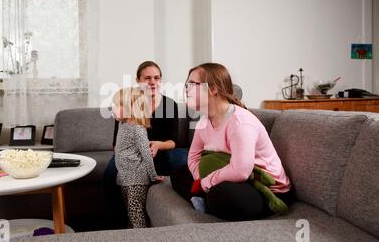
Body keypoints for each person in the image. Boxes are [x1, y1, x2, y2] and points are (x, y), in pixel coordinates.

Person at [170, 63, 293, 221]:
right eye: (187, 85)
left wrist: (205, 182)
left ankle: (203, 197)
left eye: (192, 84)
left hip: (266, 189)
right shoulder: (204, 121)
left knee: (221, 194)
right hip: (230, 176)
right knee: (177, 173)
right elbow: (193, 156)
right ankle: (203, 198)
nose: (186, 89)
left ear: (213, 89)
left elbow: (241, 171)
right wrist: (200, 178)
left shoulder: (241, 123)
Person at [103, 61, 188, 227]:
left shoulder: (169, 104)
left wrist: (157, 145)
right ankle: (117, 221)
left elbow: (173, 141)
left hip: (161, 151)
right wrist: (134, 154)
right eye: (147, 78)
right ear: (138, 80)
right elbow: (116, 144)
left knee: (182, 161)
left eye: (157, 78)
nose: (152, 82)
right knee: (110, 173)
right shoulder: (128, 103)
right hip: (133, 154)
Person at [112, 87, 164, 228]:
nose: (113, 109)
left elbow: (146, 154)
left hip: (136, 179)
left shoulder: (138, 129)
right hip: (124, 177)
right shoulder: (123, 124)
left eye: (117, 106)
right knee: (130, 213)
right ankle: (132, 239)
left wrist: (153, 176)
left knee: (136, 214)